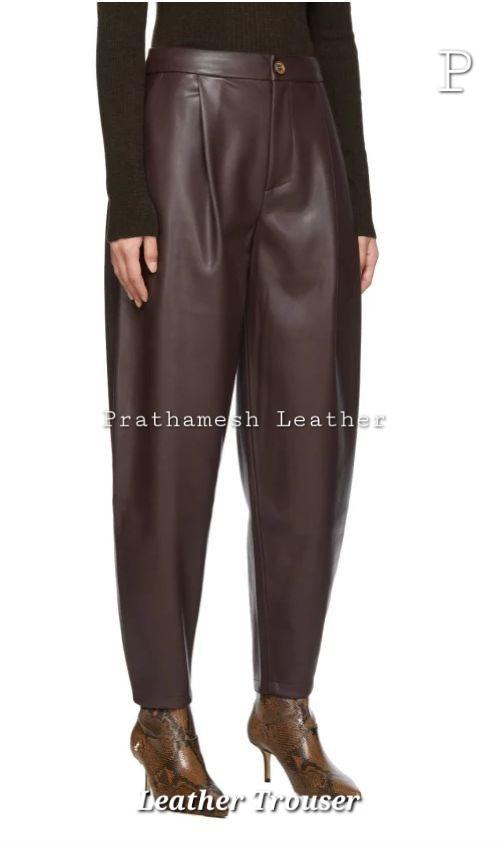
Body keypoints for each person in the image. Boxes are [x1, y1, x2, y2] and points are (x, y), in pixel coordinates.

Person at [97, 1, 378, 817]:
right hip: (185, 126)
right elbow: (118, 24)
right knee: (169, 442)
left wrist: (358, 202)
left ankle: (285, 706)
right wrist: (129, 197)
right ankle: (161, 718)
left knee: (311, 442)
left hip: (310, 139)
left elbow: (333, 31)